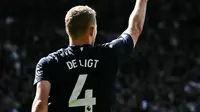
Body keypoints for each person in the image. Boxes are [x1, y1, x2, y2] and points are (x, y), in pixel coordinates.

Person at [31, 0, 148, 112]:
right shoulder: (109, 54)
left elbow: (40, 105)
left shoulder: (49, 63)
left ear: (68, 30)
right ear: (92, 31)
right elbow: (135, 28)